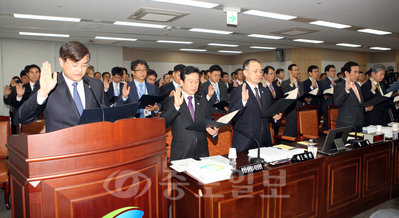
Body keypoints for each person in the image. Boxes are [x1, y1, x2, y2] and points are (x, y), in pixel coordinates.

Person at [18, 41, 108, 132]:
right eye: (74, 65)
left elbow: (106, 116)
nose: (80, 70)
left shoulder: (95, 85)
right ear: (61, 62)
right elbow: (23, 118)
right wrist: (42, 93)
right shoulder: (49, 85)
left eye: (84, 65)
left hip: (93, 143)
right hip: (61, 144)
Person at [161, 66, 218, 161]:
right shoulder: (171, 101)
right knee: (180, 176)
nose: (194, 85)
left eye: (196, 81)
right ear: (182, 82)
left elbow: (210, 120)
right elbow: (163, 123)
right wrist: (176, 106)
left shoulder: (203, 101)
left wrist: (215, 131)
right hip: (181, 152)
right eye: (190, 82)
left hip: (202, 151)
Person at [229, 59, 281, 152]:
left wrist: (274, 117)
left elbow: (266, 114)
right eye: (255, 71)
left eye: (260, 71)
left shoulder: (265, 91)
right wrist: (243, 102)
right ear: (245, 73)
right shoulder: (237, 91)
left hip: (265, 141)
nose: (259, 74)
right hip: (246, 142)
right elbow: (233, 116)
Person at [334, 61, 373, 131]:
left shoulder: (357, 85)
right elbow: (337, 103)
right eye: (355, 72)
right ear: (346, 73)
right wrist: (346, 91)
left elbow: (357, 104)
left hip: (358, 123)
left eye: (358, 72)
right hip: (346, 124)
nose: (357, 75)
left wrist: (365, 108)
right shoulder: (339, 86)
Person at [281, 64, 305, 137]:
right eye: (295, 70)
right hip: (291, 111)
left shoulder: (300, 83)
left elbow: (301, 96)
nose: (297, 71)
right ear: (290, 71)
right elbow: (287, 95)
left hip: (300, 110)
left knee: (298, 132)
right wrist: (291, 84)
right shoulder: (285, 83)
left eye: (297, 70)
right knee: (289, 132)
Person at [320, 65, 336, 131]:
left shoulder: (337, 82)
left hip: (335, 105)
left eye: (334, 71)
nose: (333, 72)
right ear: (327, 72)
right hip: (327, 105)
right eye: (332, 71)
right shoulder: (323, 82)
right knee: (327, 123)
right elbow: (322, 94)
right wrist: (331, 87)